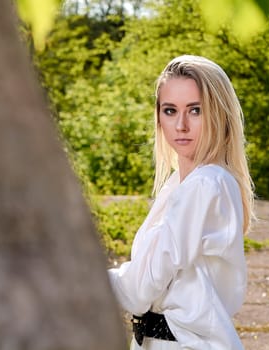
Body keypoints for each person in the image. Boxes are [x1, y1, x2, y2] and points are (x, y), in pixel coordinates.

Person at [107, 55, 254, 350]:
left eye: (195, 110)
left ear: (219, 114)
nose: (181, 125)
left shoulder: (206, 184)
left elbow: (139, 289)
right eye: (170, 110)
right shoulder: (183, 184)